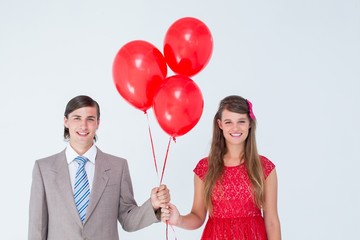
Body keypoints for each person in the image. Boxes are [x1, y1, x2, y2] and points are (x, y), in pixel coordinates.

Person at [28, 95, 170, 240]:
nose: (83, 126)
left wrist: (152, 204)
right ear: (66, 121)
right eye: (77, 118)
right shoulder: (44, 169)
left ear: (98, 123)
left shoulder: (117, 167)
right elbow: (37, 228)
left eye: (90, 119)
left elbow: (128, 221)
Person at [161, 95, 281, 239]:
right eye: (228, 122)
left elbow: (272, 222)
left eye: (241, 121)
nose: (235, 128)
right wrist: (178, 219)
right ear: (220, 124)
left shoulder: (264, 167)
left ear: (250, 123)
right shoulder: (205, 168)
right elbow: (198, 216)